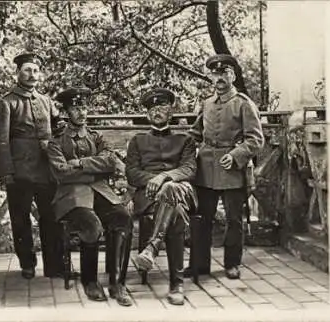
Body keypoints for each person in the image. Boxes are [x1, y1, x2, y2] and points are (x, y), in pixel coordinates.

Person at [46, 87, 133, 307]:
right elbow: (61, 173)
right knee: (92, 225)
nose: (82, 112)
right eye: (76, 108)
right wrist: (96, 169)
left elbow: (111, 161)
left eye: (84, 107)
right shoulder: (56, 142)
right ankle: (90, 281)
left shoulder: (96, 136)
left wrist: (81, 164)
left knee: (122, 218)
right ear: (66, 112)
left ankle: (117, 282)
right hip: (71, 197)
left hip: (100, 192)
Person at [185, 54, 264, 280]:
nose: (220, 78)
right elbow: (195, 133)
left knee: (233, 219)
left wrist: (236, 154)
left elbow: (256, 139)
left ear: (233, 75)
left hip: (232, 169)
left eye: (224, 73)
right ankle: (200, 265)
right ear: (211, 77)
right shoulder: (207, 104)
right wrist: (178, 148)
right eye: (216, 74)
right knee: (202, 217)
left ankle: (232, 264)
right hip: (206, 167)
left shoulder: (244, 104)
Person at [0, 52, 64, 279]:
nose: (32, 75)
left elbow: (57, 126)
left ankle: (54, 265)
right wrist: (6, 173)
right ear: (18, 73)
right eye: (27, 70)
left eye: (36, 71)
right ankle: (27, 263)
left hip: (46, 170)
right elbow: (0, 142)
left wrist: (59, 127)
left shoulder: (45, 101)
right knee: (20, 219)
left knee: (50, 217)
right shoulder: (7, 103)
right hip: (19, 172)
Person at [125, 88, 198, 306]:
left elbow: (189, 169)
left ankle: (152, 247)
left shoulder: (185, 140)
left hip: (182, 192)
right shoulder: (137, 141)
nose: (158, 111)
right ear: (147, 114)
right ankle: (177, 285)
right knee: (174, 211)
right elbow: (132, 173)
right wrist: (154, 181)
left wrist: (164, 177)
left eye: (163, 106)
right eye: (153, 108)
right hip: (149, 199)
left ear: (171, 110)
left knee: (172, 191)